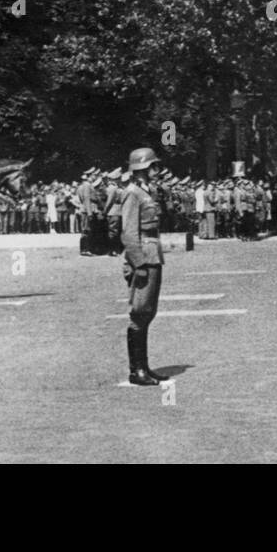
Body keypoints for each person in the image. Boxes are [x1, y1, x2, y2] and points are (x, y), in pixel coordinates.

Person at [120, 147, 166, 387]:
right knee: (139, 313)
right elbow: (129, 234)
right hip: (143, 257)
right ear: (143, 168)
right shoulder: (132, 193)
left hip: (153, 254)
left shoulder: (146, 191)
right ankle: (136, 370)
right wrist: (138, 263)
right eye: (153, 166)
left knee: (148, 312)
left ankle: (144, 366)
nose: (156, 170)